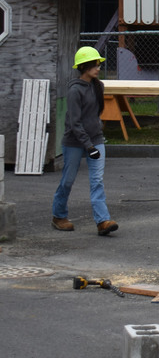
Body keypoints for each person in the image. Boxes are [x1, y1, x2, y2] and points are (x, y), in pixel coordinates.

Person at [52, 46, 118, 235]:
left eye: (98, 64)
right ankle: (58, 216)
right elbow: (75, 122)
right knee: (67, 181)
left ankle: (103, 221)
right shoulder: (75, 91)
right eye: (94, 65)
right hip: (74, 142)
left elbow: (95, 113)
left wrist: (96, 136)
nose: (98, 68)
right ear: (83, 67)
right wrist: (89, 146)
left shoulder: (98, 86)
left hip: (95, 140)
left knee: (97, 180)